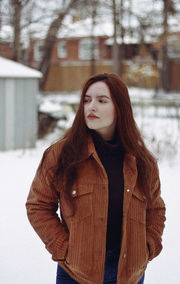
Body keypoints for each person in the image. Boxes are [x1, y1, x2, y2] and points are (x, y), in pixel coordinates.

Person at [26, 73, 166, 284]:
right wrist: (64, 249)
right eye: (86, 100)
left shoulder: (142, 161)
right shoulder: (61, 155)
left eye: (102, 101)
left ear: (120, 108)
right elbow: (38, 206)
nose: (91, 107)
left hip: (129, 274)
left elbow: (155, 209)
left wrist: (147, 247)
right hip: (76, 274)